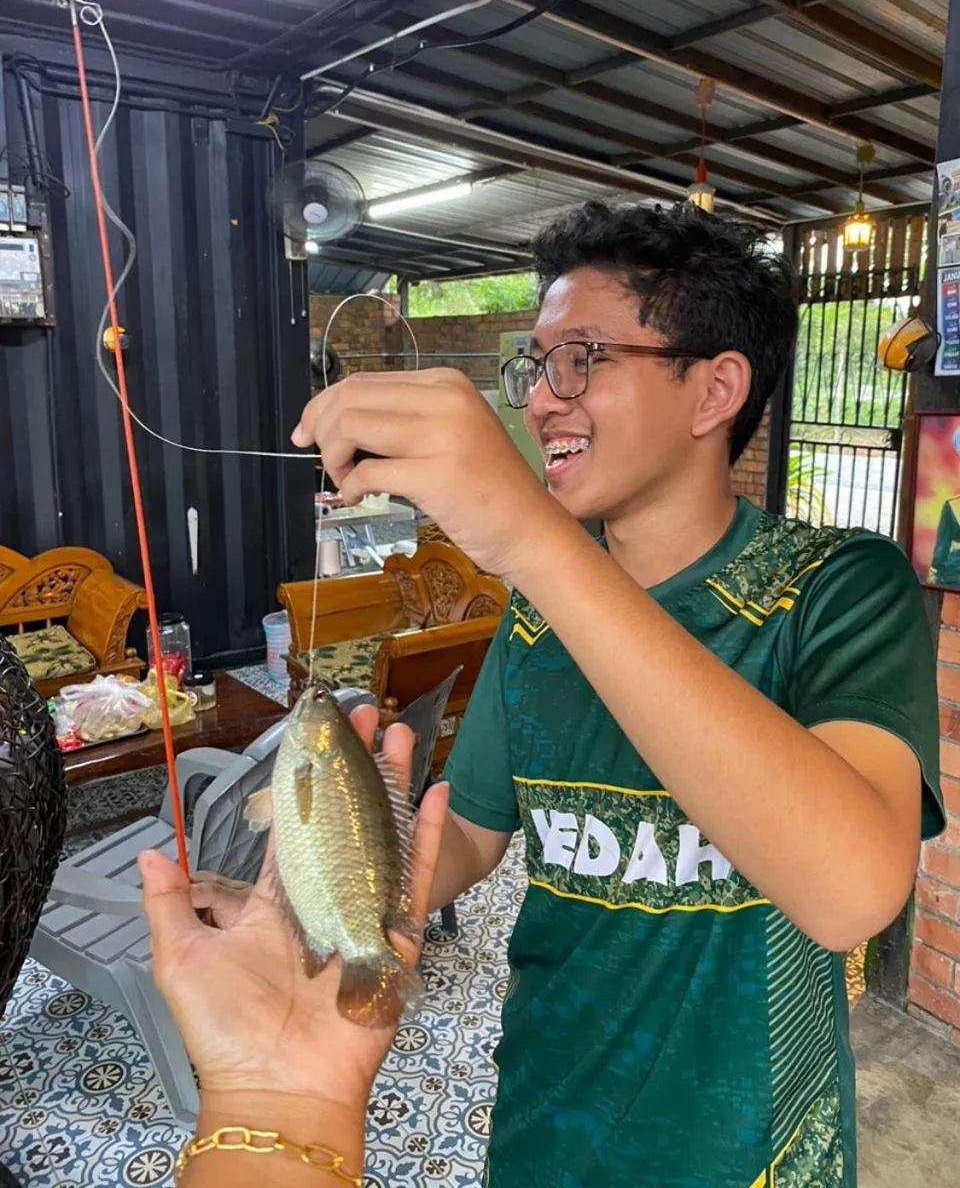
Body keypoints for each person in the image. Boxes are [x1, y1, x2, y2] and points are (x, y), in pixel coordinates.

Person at [287, 202, 944, 1188]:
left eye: (582, 358)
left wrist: (531, 540)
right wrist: (342, 874)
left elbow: (851, 890)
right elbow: (473, 827)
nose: (545, 400)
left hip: (753, 1154)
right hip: (548, 1127)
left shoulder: (838, 589)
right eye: (537, 364)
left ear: (715, 388)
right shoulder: (541, 611)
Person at [139, 705, 448, 1186]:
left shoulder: (308, 761)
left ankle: (360, 949)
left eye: (315, 706)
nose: (310, 702)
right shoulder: (308, 764)